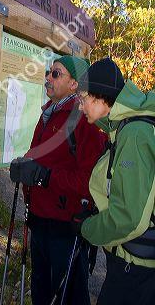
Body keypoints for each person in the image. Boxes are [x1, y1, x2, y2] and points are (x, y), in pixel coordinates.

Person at [10, 55, 107, 305]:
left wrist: (45, 176)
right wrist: (24, 169)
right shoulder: (48, 115)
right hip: (40, 222)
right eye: (48, 72)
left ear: (74, 84)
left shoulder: (85, 120)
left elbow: (90, 182)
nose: (48, 78)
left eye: (56, 73)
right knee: (41, 292)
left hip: (66, 228)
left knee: (70, 295)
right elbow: (38, 157)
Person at [77, 57, 155, 305]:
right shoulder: (126, 127)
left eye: (83, 99)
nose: (80, 106)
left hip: (136, 271)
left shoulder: (133, 134)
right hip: (135, 265)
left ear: (101, 97)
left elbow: (129, 218)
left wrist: (87, 228)